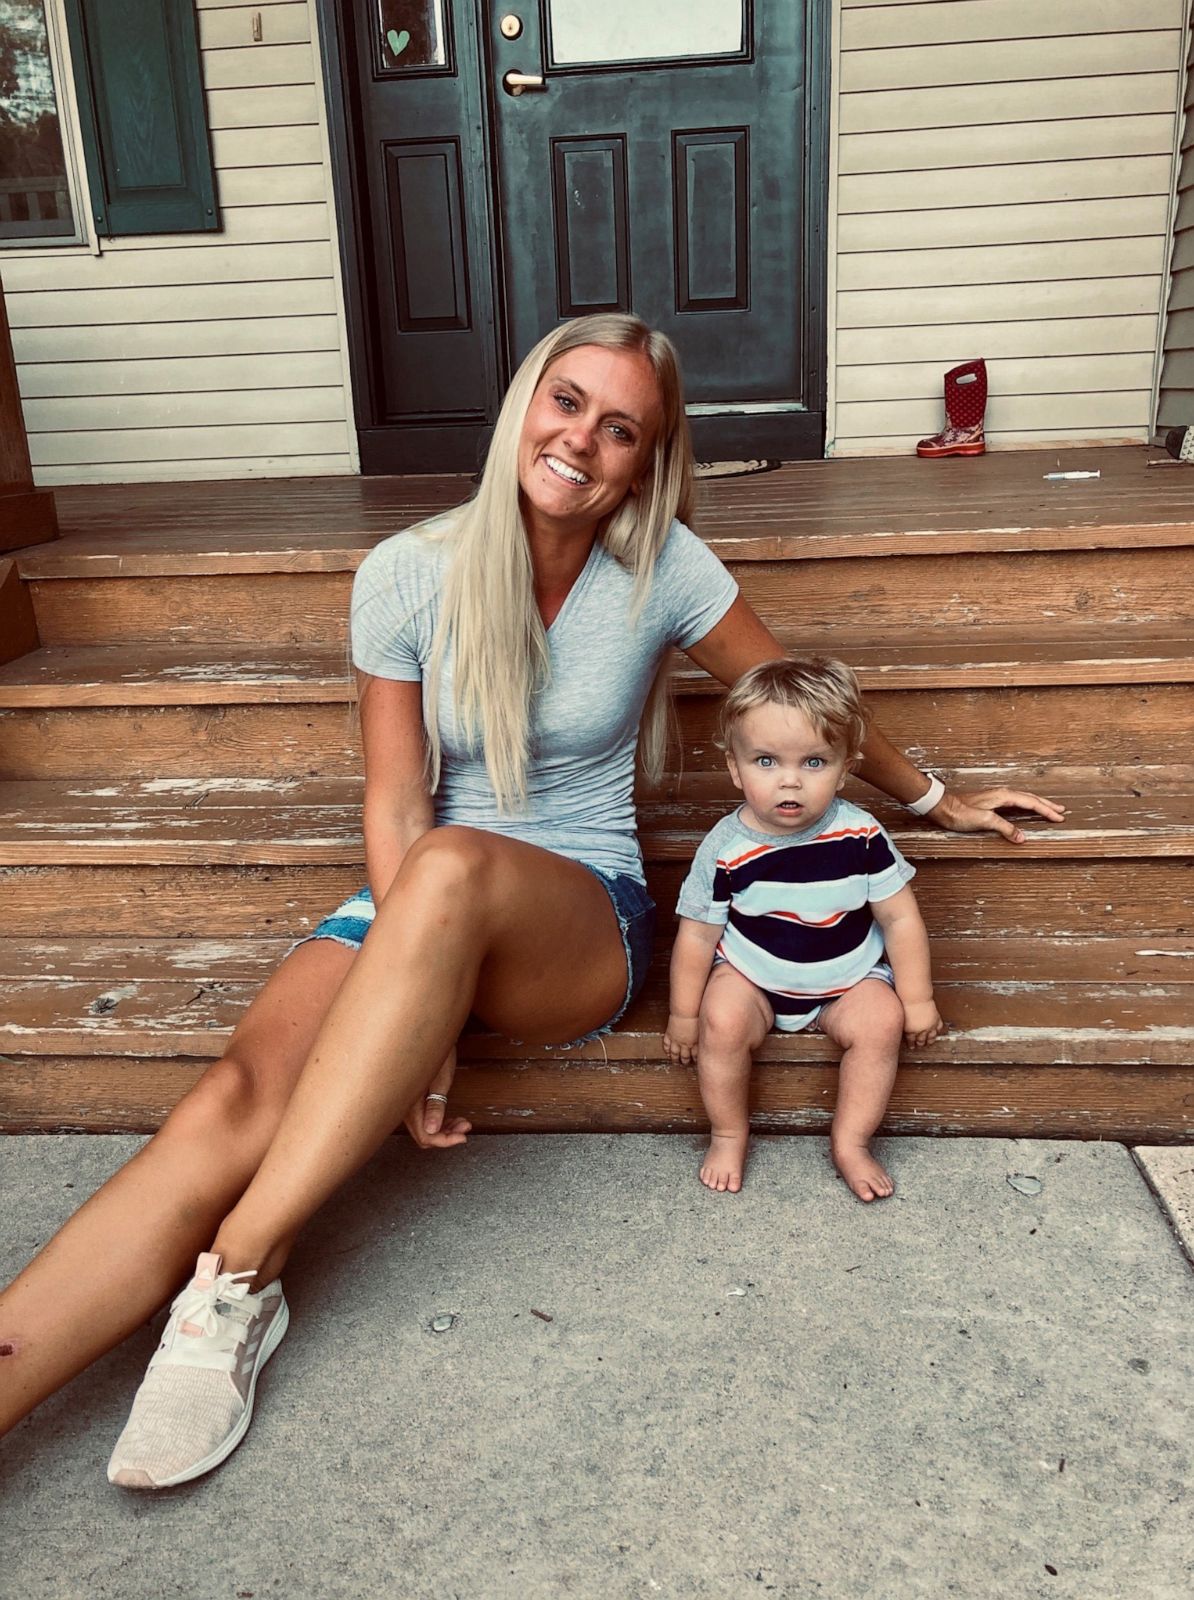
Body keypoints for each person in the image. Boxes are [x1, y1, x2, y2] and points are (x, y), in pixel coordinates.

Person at [0, 314, 1064, 1487]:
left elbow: (796, 704)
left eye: (622, 430)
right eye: (566, 403)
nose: (582, 442)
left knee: (455, 866)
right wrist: (422, 1003)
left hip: (579, 918)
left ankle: (240, 1274)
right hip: (418, 893)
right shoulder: (407, 572)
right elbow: (399, 804)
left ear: (648, 462)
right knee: (237, 1092)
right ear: (524, 406)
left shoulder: (664, 569)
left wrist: (937, 799)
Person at [664, 657, 943, 1200]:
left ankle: (852, 1141)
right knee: (721, 1020)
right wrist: (682, 1014)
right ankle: (727, 1132)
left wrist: (918, 998)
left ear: (845, 769)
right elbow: (696, 936)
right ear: (735, 768)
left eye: (814, 762)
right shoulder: (726, 848)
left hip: (846, 979)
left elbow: (900, 916)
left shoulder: (861, 834)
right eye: (766, 760)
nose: (789, 780)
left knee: (881, 1022)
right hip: (755, 979)